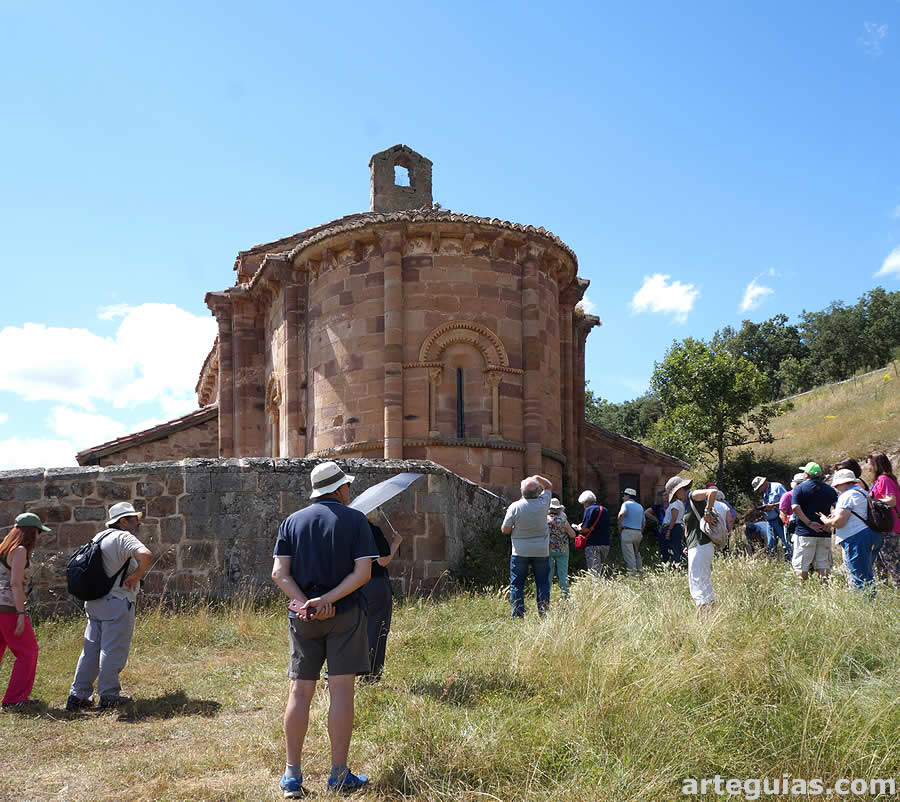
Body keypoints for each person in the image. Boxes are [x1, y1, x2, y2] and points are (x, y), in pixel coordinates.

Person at [271, 461, 378, 797]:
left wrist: (305, 603)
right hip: (345, 615)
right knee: (342, 691)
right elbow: (362, 574)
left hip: (301, 618)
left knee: (300, 693)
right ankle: (338, 775)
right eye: (347, 486)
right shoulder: (355, 520)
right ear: (340, 489)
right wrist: (326, 600)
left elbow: (279, 573)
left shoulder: (292, 521)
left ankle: (292, 776)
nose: (350, 491)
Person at [67, 502, 153, 712]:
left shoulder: (99, 537)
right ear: (122, 521)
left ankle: (78, 696)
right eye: (133, 519)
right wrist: (137, 575)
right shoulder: (123, 537)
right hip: (116, 601)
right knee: (112, 649)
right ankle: (109, 695)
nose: (136, 522)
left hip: (94, 602)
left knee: (91, 651)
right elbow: (146, 554)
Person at [0, 512, 50, 711]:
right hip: (9, 608)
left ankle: (15, 697)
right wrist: (21, 614)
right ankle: (14, 699)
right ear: (32, 532)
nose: (39, 537)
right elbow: (15, 584)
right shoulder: (19, 551)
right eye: (38, 532)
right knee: (28, 652)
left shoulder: (3, 549)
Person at [501, 475, 553, 618]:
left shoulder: (515, 507)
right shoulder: (544, 503)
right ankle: (543, 613)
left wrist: (516, 530)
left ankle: (517, 614)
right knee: (542, 582)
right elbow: (549, 486)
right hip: (541, 551)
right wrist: (537, 477)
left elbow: (505, 530)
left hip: (520, 551)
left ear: (521, 491)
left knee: (517, 583)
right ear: (538, 491)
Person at [818, 469, 877, 591]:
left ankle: (866, 604)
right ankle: (870, 600)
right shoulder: (863, 492)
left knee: (859, 576)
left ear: (841, 483)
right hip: (870, 534)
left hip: (855, 537)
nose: (836, 488)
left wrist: (825, 520)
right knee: (867, 573)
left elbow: (838, 522)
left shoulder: (846, 496)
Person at [361, 509, 402, 682]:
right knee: (377, 629)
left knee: (356, 630)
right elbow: (382, 560)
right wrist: (396, 543)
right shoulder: (373, 531)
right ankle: (371, 676)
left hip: (355, 586)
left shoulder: (354, 531)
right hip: (375, 584)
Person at [667, 476, 718, 608]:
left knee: (696, 583)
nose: (676, 498)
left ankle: (702, 617)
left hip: (700, 545)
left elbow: (712, 492)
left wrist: (707, 512)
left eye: (675, 495)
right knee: (703, 581)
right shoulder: (688, 503)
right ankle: (711, 614)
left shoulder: (692, 496)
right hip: (699, 545)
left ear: (679, 490)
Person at [790, 462, 838, 582]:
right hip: (824, 531)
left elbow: (795, 507)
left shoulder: (800, 488)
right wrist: (830, 523)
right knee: (823, 564)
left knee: (802, 565)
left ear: (806, 475)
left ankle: (802, 591)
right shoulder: (830, 490)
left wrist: (809, 523)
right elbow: (838, 508)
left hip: (805, 532)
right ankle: (825, 589)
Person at [866, 452, 900, 586]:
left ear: (876, 464)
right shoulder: (880, 480)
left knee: (892, 562)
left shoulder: (884, 479)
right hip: (883, 528)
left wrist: (872, 501)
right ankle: (885, 591)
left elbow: (891, 501)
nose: (867, 466)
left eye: (869, 463)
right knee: (880, 563)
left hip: (889, 527)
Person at [751, 476, 790, 561]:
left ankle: (789, 561)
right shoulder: (765, 492)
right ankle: (773, 562)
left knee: (785, 543)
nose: (759, 491)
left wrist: (772, 506)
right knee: (770, 545)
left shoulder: (777, 487)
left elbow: (787, 501)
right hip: (770, 521)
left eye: (759, 488)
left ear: (763, 483)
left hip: (779, 520)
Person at [573, 491, 610, 576]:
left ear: (586, 502)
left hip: (593, 544)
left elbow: (585, 529)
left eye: (583, 504)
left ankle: (597, 588)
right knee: (601, 569)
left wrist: (578, 528)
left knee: (594, 572)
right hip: (605, 543)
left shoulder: (589, 509)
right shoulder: (604, 509)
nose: (583, 506)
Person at [547, 498, 575, 598]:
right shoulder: (563, 520)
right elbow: (572, 535)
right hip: (563, 549)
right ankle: (565, 595)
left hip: (549, 549)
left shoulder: (545, 519)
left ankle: (546, 596)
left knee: (548, 574)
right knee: (563, 574)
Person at [617, 488, 645, 577]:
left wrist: (620, 525)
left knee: (630, 557)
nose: (623, 497)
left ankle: (632, 578)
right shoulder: (640, 506)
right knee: (637, 555)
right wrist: (640, 531)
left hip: (627, 532)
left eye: (624, 495)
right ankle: (640, 574)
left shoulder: (626, 504)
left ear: (628, 496)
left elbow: (621, 514)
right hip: (638, 532)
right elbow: (643, 523)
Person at [660, 489, 685, 565]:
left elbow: (674, 518)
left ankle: (677, 564)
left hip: (674, 527)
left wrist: (669, 530)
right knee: (676, 547)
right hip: (675, 526)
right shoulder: (679, 503)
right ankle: (678, 563)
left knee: (675, 548)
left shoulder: (675, 504)